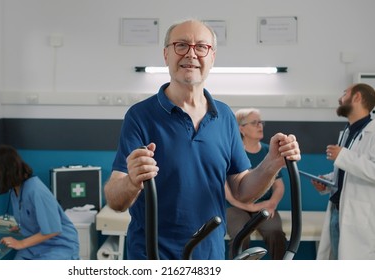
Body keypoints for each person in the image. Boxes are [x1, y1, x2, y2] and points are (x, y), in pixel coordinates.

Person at [104, 19, 301, 260]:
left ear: (212, 57)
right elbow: (115, 200)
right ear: (166, 55)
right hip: (151, 256)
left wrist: (272, 163)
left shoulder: (225, 116)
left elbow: (241, 191)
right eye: (181, 45)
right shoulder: (141, 116)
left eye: (201, 47)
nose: (191, 53)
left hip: (209, 256)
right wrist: (132, 181)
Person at [310, 83, 375, 260]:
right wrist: (327, 181)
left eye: (345, 93)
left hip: (360, 217)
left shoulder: (373, 131)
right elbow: (347, 173)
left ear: (357, 97)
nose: (340, 99)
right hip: (338, 212)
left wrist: (343, 155)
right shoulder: (348, 131)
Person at [0, 144, 80, 260]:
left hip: (58, 246)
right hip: (36, 245)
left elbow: (53, 230)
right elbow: (30, 215)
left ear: (4, 171)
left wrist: (20, 243)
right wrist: (23, 226)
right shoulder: (15, 190)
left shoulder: (36, 190)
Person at [224, 108, 286, 260]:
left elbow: (279, 186)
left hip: (265, 206)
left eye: (261, 122)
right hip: (235, 207)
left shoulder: (269, 151)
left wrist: (271, 203)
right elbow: (228, 195)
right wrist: (251, 207)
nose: (260, 126)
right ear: (241, 129)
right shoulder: (231, 151)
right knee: (240, 235)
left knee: (275, 233)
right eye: (254, 123)